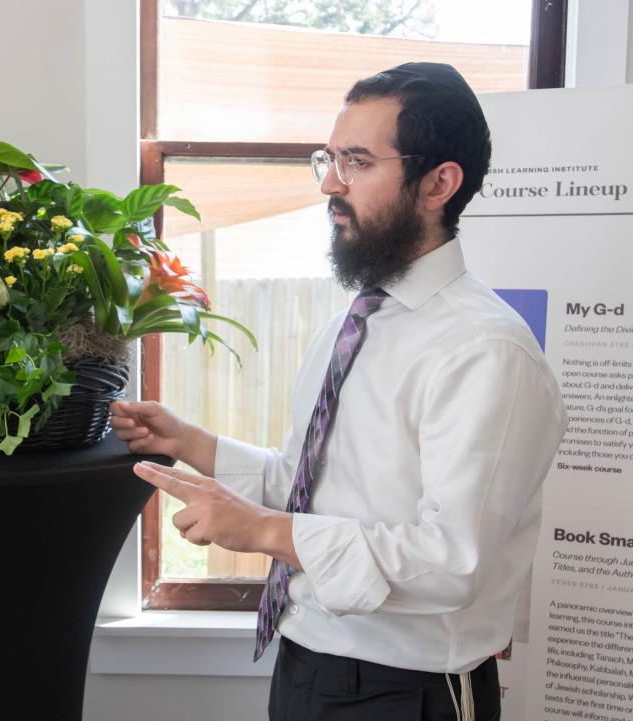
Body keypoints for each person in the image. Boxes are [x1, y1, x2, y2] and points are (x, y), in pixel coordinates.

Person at [112, 62, 566, 721]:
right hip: (306, 666)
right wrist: (192, 443)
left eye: (356, 161)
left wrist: (265, 531)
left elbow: (451, 561)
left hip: (406, 692)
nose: (329, 183)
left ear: (439, 182)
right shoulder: (348, 326)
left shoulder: (486, 351)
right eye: (328, 158)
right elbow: (307, 486)